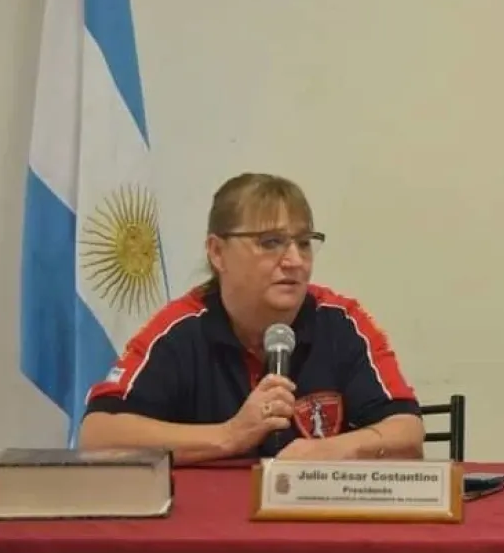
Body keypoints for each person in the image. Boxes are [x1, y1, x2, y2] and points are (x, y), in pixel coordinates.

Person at [78, 173, 425, 464]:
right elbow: (99, 435)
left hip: (320, 528)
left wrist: (330, 451)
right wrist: (229, 435)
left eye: (304, 243)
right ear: (217, 252)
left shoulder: (341, 321)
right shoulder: (180, 329)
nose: (294, 260)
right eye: (271, 242)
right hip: (209, 533)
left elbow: (407, 431)